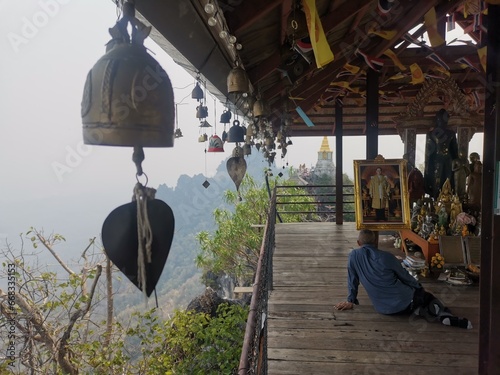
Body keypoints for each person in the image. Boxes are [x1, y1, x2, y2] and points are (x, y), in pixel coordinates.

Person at [334, 229, 472, 329]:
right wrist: (418, 287)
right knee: (427, 297)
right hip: (404, 299)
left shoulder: (352, 256)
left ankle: (423, 311)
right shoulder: (386, 257)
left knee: (419, 304)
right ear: (376, 242)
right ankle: (443, 315)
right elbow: (405, 276)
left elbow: (352, 280)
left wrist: (350, 300)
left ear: (358, 242)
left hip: (383, 308)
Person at [424, 109, 459, 199]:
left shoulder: (451, 133)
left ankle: (448, 199)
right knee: (437, 180)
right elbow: (429, 152)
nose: (443, 122)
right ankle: (436, 199)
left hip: (448, 159)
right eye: (441, 119)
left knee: (448, 179)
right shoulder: (432, 134)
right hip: (437, 159)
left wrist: (456, 160)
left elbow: (454, 149)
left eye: (445, 119)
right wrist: (427, 166)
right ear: (437, 120)